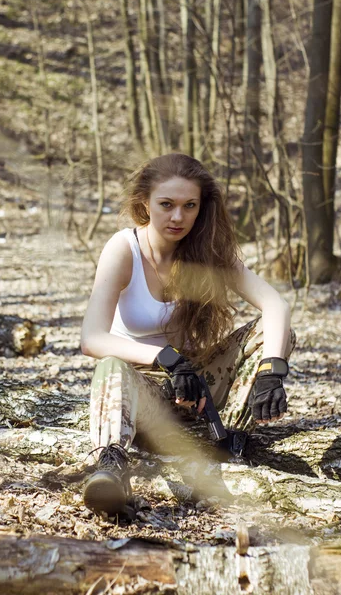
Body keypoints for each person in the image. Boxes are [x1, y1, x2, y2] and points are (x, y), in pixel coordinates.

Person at [80, 153, 295, 516]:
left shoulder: (207, 251)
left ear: (200, 207)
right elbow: (91, 339)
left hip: (197, 387)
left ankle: (226, 437)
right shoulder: (124, 248)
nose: (178, 217)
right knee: (111, 365)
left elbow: (274, 305)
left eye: (189, 206)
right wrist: (164, 357)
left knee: (275, 333)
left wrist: (271, 371)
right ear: (144, 203)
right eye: (166, 204)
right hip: (141, 385)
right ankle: (111, 465)